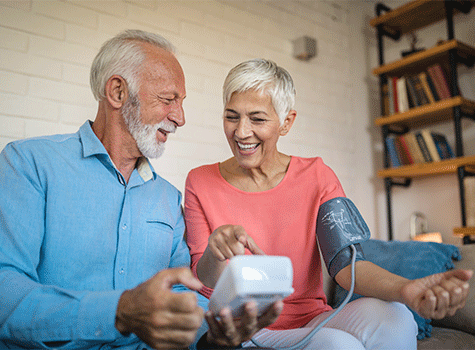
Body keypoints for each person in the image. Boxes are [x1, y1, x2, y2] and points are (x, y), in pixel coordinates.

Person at [0, 30, 281, 350]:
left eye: (181, 102)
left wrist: (215, 334)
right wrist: (119, 312)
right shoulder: (28, 164)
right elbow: (5, 294)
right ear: (118, 92)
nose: (180, 117)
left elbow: (181, 293)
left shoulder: (168, 198)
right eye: (167, 99)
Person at [184, 58, 473, 349]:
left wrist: (406, 289)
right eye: (231, 116)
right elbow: (202, 276)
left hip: (312, 318)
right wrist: (215, 251)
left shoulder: (317, 175)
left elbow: (346, 265)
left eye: (257, 119)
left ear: (287, 122)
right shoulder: (200, 181)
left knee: (396, 317)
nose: (241, 132)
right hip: (248, 328)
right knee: (336, 344)